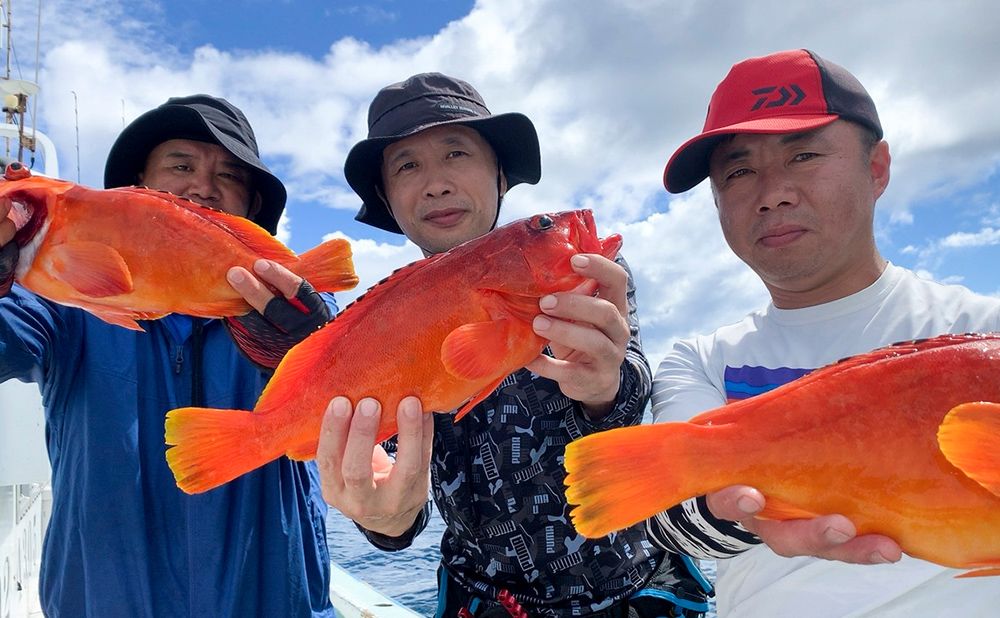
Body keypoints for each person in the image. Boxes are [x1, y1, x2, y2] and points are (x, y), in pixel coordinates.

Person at [315, 73, 713, 617]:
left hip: (626, 590)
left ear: (500, 175)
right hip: (481, 599)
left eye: (456, 152)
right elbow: (394, 479)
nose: (435, 183)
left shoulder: (578, 271)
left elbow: (630, 383)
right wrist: (383, 517)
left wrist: (605, 384)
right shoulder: (386, 327)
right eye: (407, 165)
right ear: (387, 196)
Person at [646, 49, 1000, 617]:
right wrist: (737, 510)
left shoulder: (985, 333)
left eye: (804, 154)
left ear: (877, 168)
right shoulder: (702, 358)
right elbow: (675, 521)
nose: (773, 192)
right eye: (738, 171)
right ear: (716, 200)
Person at [0, 94, 336, 617]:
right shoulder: (61, 297)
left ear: (251, 212)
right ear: (137, 192)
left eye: (230, 175)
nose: (203, 186)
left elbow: (371, 411)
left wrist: (318, 351)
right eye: (180, 165)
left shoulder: (299, 307)